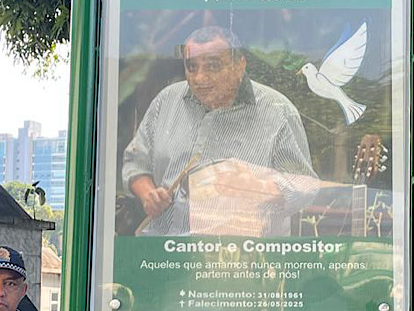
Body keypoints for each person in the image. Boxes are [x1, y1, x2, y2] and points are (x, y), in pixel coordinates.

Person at [122, 26, 317, 236]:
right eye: (192, 67)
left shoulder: (278, 111)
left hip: (245, 257)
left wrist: (256, 186)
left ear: (239, 66)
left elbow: (304, 186)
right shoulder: (166, 101)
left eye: (213, 66)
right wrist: (148, 195)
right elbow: (135, 162)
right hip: (165, 253)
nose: (200, 77)